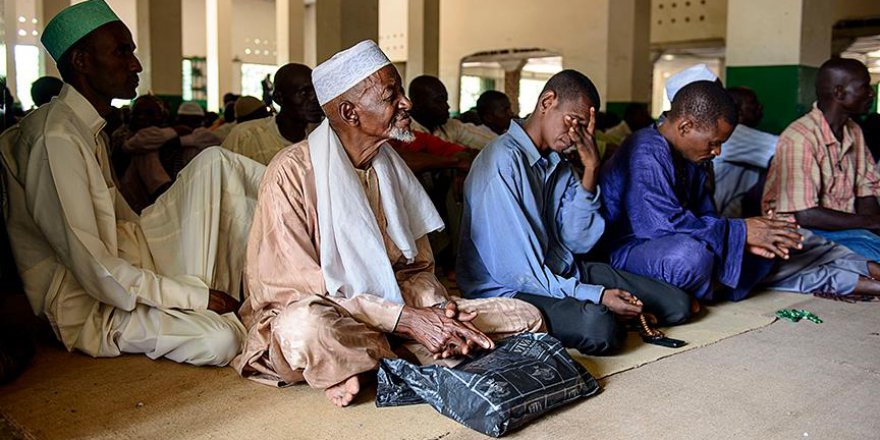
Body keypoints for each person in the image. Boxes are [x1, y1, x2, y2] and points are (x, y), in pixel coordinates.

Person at [232, 41, 543, 407]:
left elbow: (418, 269)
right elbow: (297, 293)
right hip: (328, 315)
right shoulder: (291, 172)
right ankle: (398, 351)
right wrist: (405, 320)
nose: (406, 103)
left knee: (527, 315)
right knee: (304, 328)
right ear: (350, 112)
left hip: (395, 307)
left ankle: (372, 361)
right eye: (391, 96)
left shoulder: (389, 167)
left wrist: (434, 309)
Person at [0, 0, 265, 366]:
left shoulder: (84, 127)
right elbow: (95, 270)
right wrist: (194, 296)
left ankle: (300, 203)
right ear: (81, 61)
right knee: (221, 339)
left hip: (130, 257)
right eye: (122, 52)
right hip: (92, 303)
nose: (136, 65)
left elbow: (126, 223)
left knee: (217, 165)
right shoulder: (56, 139)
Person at [457, 70, 690, 356]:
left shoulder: (559, 164)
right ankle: (603, 313)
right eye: (573, 122)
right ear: (547, 102)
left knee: (677, 304)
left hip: (564, 272)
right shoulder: (502, 162)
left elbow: (577, 242)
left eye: (583, 128)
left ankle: (606, 310)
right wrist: (597, 295)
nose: (575, 136)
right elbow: (519, 275)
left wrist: (591, 168)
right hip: (511, 290)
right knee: (599, 327)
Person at [601, 80, 880, 302]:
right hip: (633, 249)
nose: (717, 151)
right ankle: (720, 282)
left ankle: (855, 279)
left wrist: (740, 240)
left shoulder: (692, 157)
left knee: (782, 240)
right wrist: (740, 233)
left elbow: (707, 216)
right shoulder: (645, 150)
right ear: (685, 126)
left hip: (690, 239)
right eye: (714, 143)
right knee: (690, 258)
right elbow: (659, 227)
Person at [763, 58, 880, 262]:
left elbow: (866, 190)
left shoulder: (854, 131)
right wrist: (870, 223)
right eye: (864, 86)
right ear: (839, 93)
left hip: (845, 230)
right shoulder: (800, 137)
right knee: (873, 258)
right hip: (802, 234)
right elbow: (805, 215)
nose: (871, 93)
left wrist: (872, 226)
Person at [222, 63, 324, 165]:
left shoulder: (322, 137)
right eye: (304, 93)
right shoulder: (246, 136)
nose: (315, 99)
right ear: (279, 98)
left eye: (317, 91)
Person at [712, 87, 778, 218]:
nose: (760, 107)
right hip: (712, 217)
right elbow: (789, 147)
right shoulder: (735, 134)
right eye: (753, 103)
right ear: (738, 110)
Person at [409, 75, 497, 149]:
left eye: (446, 100)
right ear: (417, 102)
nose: (447, 106)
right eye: (439, 101)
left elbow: (495, 144)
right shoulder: (404, 132)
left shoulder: (451, 126)